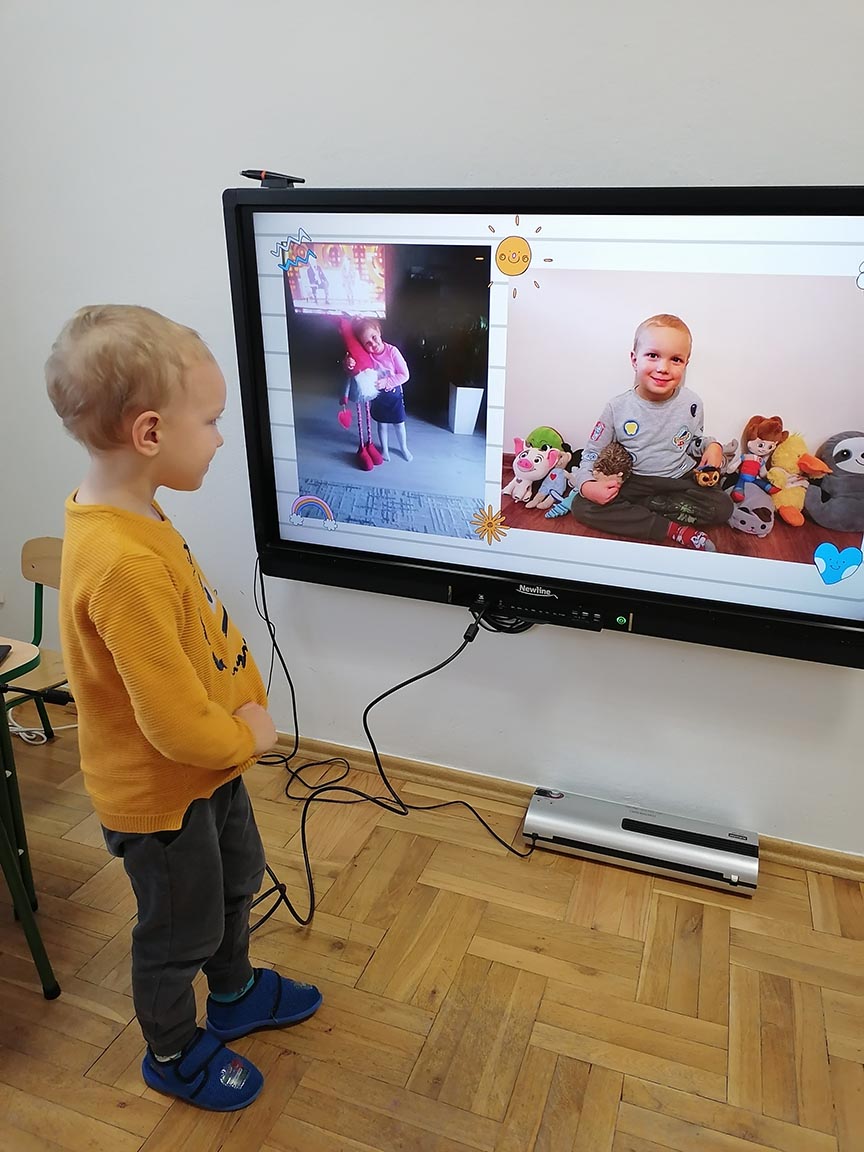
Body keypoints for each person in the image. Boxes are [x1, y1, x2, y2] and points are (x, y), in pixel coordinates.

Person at [45, 305, 322, 1111]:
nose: (221, 438)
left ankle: (233, 994)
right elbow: (167, 722)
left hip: (205, 767)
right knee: (179, 928)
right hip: (163, 791)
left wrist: (236, 715)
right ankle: (172, 1049)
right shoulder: (121, 562)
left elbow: (189, 640)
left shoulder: (131, 512)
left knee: (237, 877)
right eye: (211, 421)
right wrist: (245, 738)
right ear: (150, 433)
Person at [562, 314, 732, 551]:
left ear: (686, 364)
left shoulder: (692, 403)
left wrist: (712, 445)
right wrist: (587, 486)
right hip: (633, 481)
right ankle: (671, 528)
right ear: (634, 360)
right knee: (582, 506)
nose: (663, 368)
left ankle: (642, 510)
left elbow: (692, 441)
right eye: (653, 355)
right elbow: (591, 454)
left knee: (723, 506)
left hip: (678, 480)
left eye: (675, 359)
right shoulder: (617, 407)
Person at [345, 318, 412, 461]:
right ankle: (385, 450)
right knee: (382, 425)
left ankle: (403, 447)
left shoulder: (392, 351)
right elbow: (355, 364)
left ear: (379, 332)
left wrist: (387, 382)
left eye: (374, 337)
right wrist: (349, 362)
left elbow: (405, 375)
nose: (373, 344)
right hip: (378, 398)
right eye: (367, 343)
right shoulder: (367, 355)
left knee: (399, 424)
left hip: (394, 397)